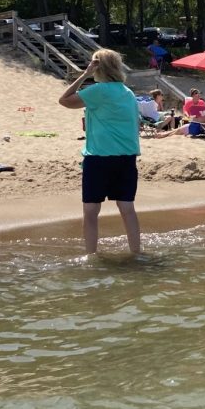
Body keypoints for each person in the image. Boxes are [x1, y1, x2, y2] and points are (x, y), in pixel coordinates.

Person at [58, 49, 142, 255]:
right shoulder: (127, 92)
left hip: (99, 158)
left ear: (98, 66)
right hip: (127, 157)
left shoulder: (99, 91)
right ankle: (136, 254)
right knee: (127, 208)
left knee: (91, 211)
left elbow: (65, 100)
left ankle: (91, 256)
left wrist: (85, 75)